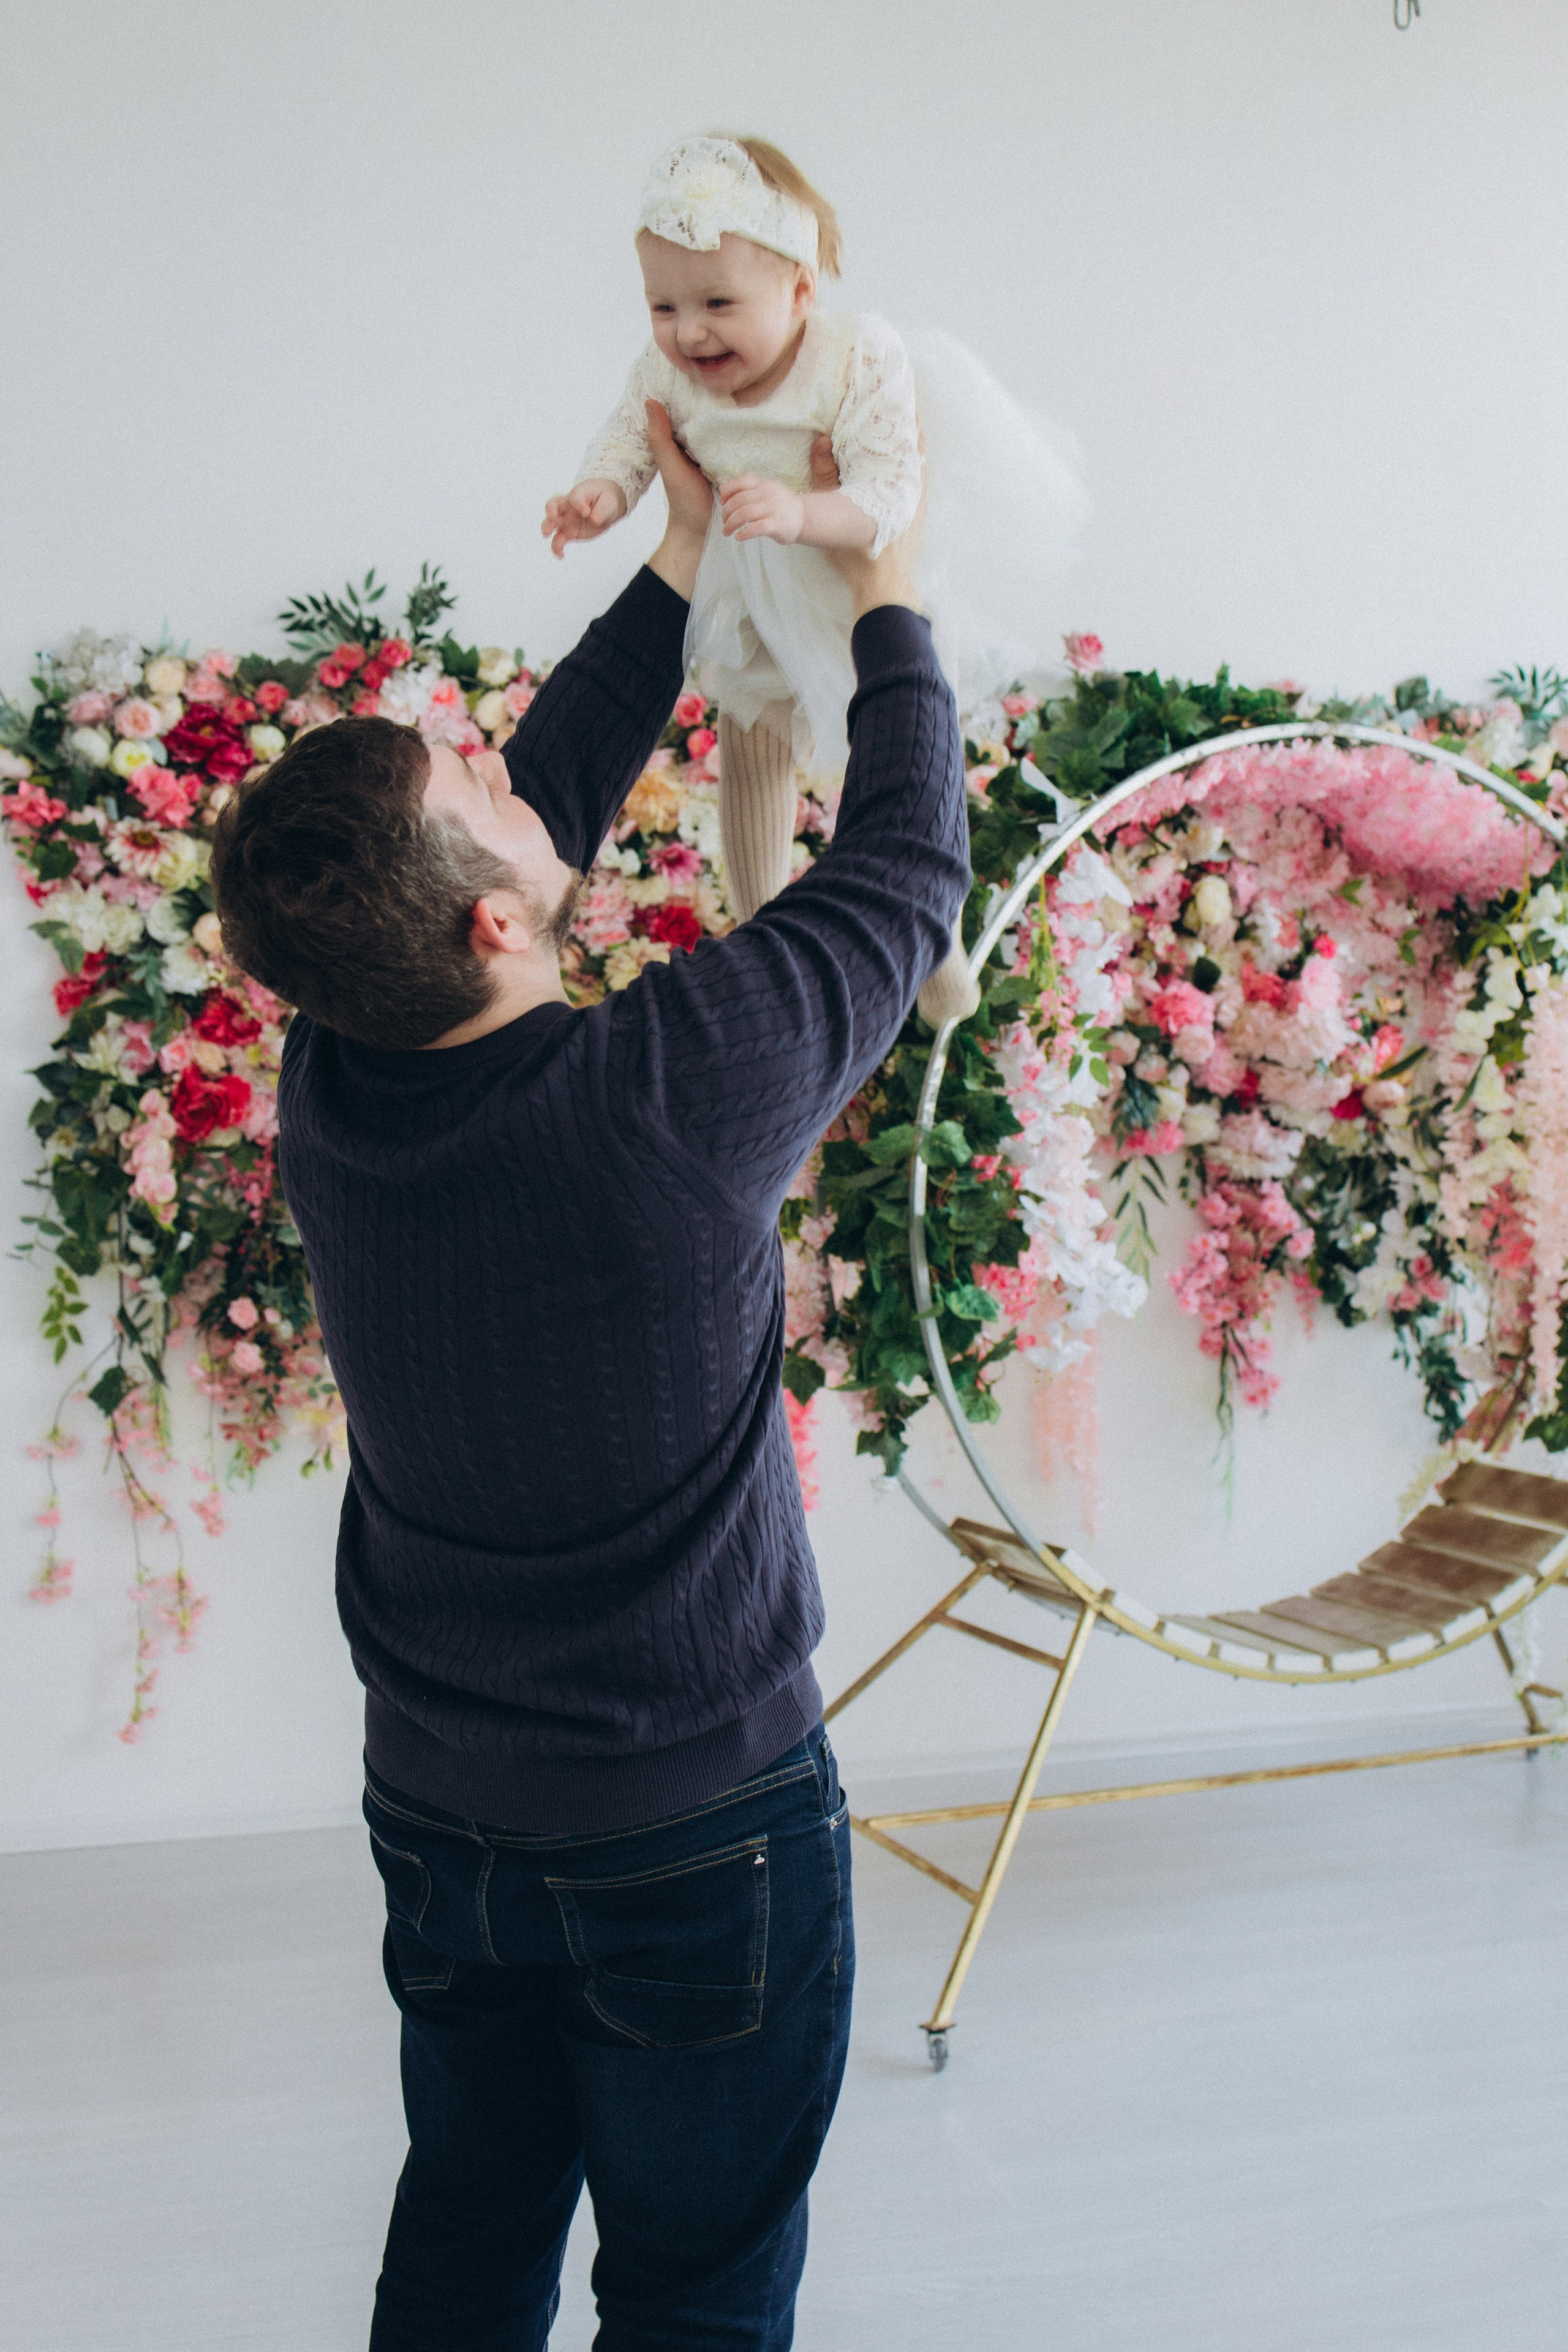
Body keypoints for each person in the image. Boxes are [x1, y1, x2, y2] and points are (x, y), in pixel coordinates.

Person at [209, 402, 967, 2350]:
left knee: (467, 2236)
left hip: (443, 1811)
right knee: (696, 2294)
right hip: (694, 1826)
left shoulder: (340, 1071)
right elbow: (904, 872)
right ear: (491, 920)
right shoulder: (664, 1097)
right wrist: (889, 593)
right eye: (470, 785)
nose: (501, 763)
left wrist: (687, 553)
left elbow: (519, 821)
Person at [543, 130, 1084, 1027]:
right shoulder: (667, 371)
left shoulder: (853, 359)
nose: (688, 331)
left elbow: (892, 492)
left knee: (892, 761)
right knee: (752, 737)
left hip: (847, 584)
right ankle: (762, 924)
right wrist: (599, 494)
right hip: (748, 582)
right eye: (662, 306)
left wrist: (801, 514)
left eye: (718, 302)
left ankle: (935, 940)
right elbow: (632, 435)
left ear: (800, 290)